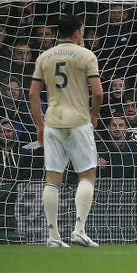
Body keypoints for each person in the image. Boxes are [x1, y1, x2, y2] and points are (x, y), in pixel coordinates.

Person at [29, 14, 104, 248]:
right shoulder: (86, 55)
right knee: (87, 175)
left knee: (52, 179)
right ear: (78, 32)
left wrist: (40, 125)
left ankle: (53, 236)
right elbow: (99, 92)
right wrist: (93, 116)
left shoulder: (44, 56)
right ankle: (79, 229)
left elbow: (32, 94)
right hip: (78, 121)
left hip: (52, 122)